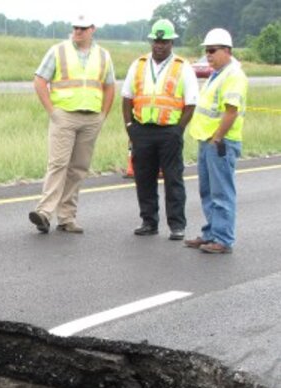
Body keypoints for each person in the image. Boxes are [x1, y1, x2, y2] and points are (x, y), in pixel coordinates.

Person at [29, 14, 115, 234]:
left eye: (82, 28)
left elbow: (109, 86)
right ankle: (44, 212)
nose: (77, 31)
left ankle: (67, 217)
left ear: (92, 29)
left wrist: (102, 115)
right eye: (75, 27)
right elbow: (40, 80)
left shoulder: (103, 55)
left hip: (91, 118)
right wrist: (52, 111)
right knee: (58, 164)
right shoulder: (58, 51)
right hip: (65, 116)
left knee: (78, 168)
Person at [122, 19, 198, 240]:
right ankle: (149, 221)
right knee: (144, 178)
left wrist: (179, 130)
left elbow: (191, 102)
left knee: (173, 179)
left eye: (164, 41)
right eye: (156, 40)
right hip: (142, 130)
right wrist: (130, 126)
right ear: (151, 41)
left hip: (169, 132)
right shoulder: (138, 64)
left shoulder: (182, 67)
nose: (159, 45)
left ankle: (177, 225)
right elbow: (127, 98)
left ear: (171, 42)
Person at [185, 28, 248, 254]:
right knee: (208, 191)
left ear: (227, 51)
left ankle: (223, 239)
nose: (208, 55)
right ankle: (211, 232)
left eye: (212, 51)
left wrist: (218, 137)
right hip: (207, 140)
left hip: (220, 142)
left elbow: (230, 112)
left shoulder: (234, 76)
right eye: (206, 51)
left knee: (221, 192)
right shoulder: (218, 74)